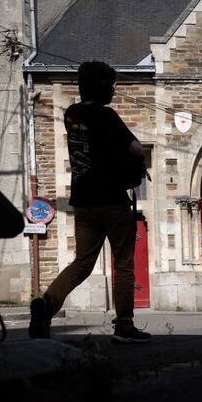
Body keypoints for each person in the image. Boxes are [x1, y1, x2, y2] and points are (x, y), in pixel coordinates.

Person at [29, 61, 151, 343]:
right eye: (111, 85)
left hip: (83, 200)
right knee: (123, 262)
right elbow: (134, 147)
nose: (114, 90)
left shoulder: (72, 115)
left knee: (82, 262)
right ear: (102, 86)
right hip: (112, 199)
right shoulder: (106, 116)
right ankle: (124, 325)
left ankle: (47, 304)